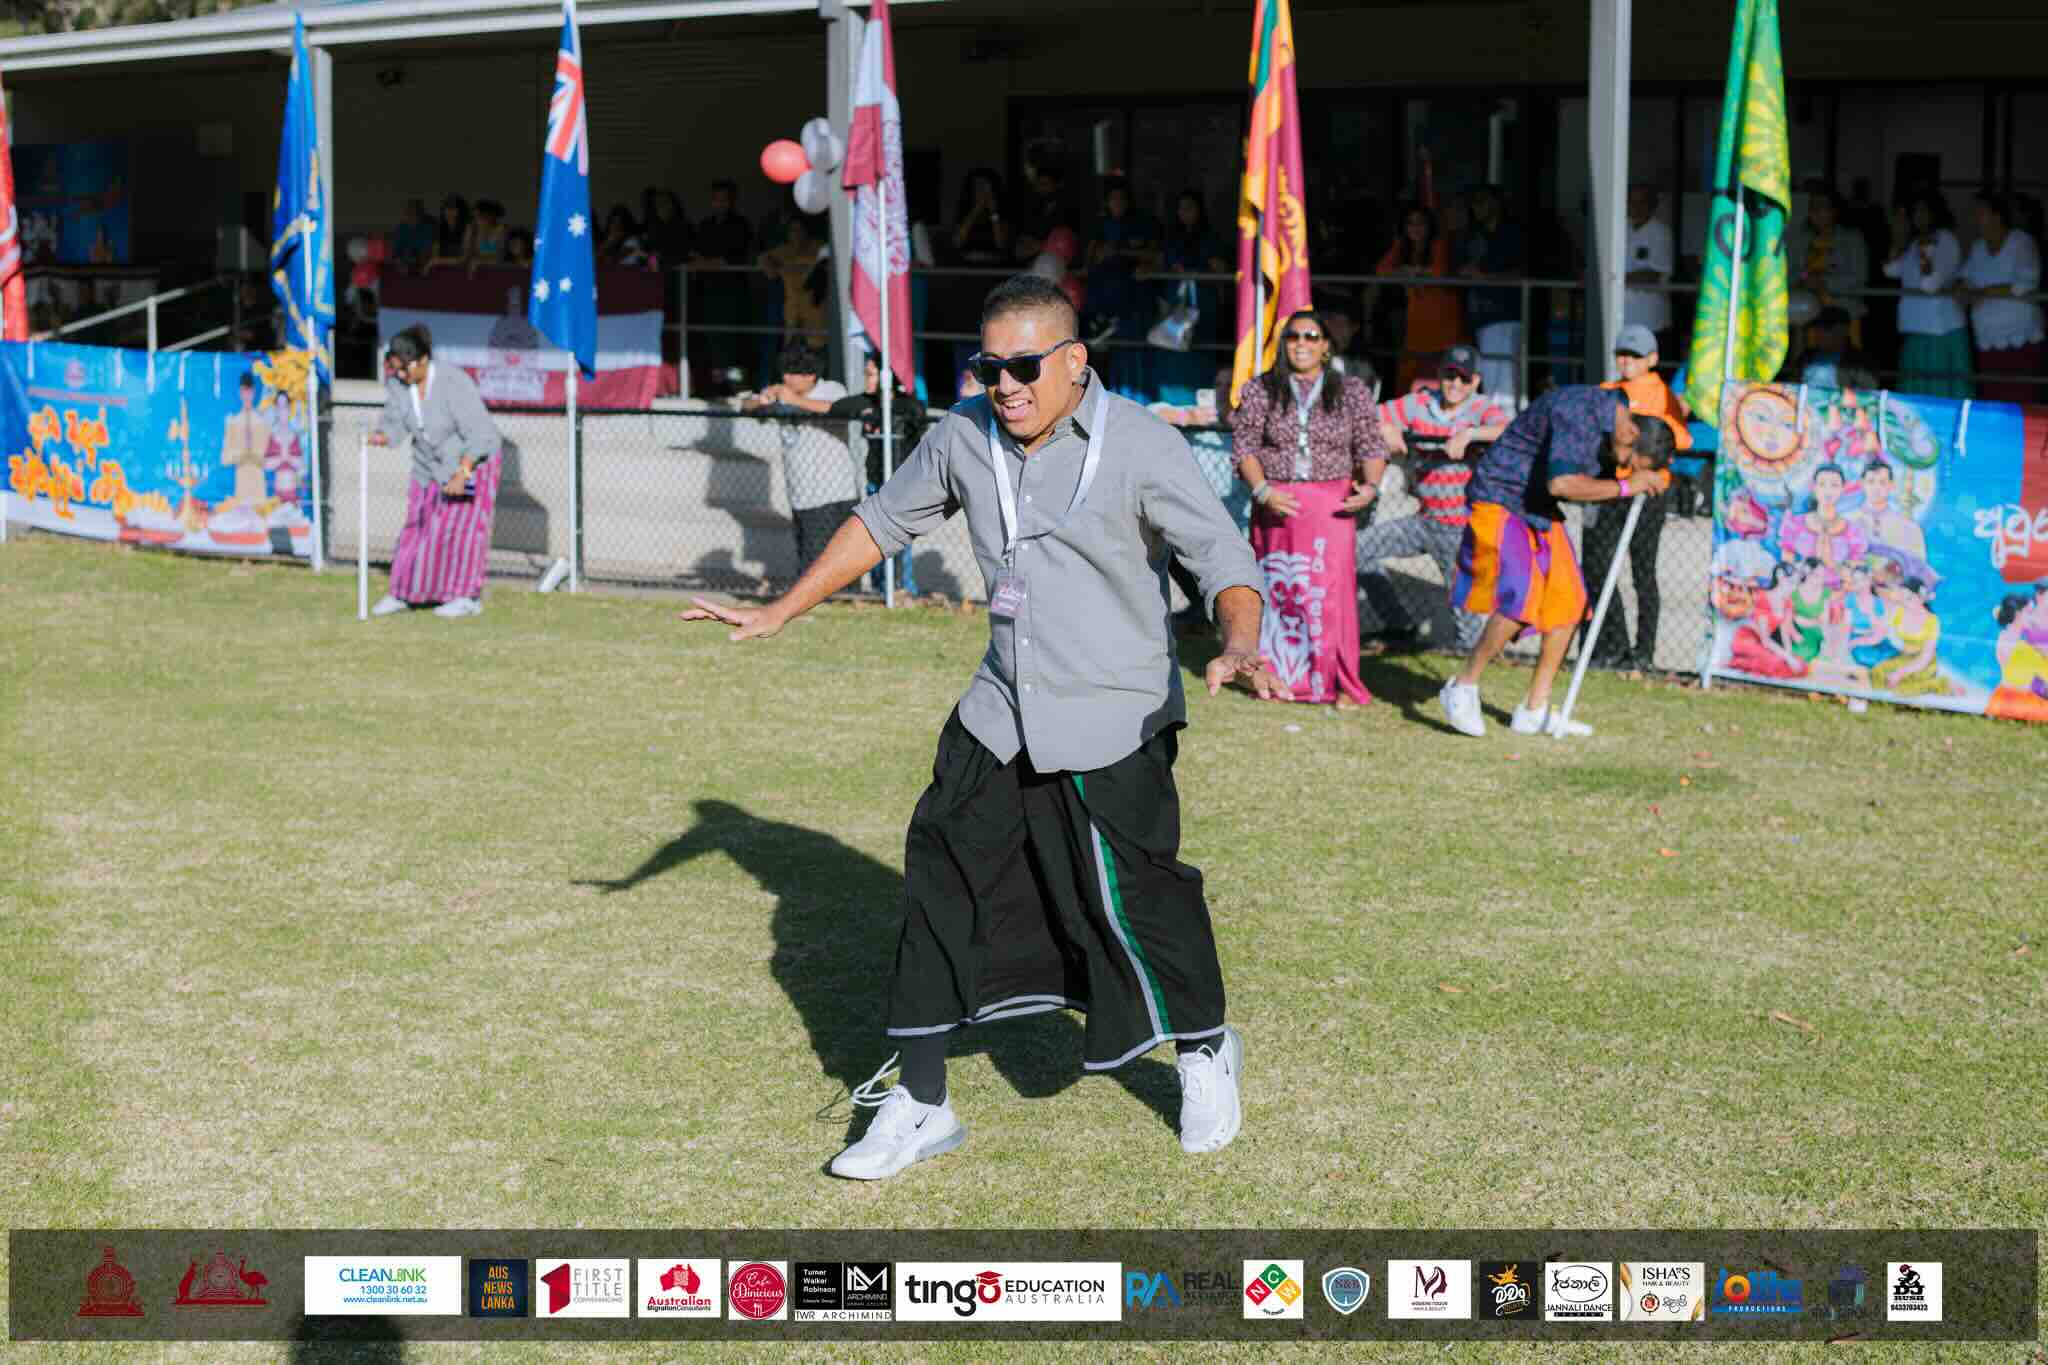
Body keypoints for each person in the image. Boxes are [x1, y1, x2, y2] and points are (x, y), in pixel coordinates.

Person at [681, 273, 1277, 1178]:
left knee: (1137, 898)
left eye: (1025, 365)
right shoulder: (963, 435)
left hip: (1115, 711)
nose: (1005, 385)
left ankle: (1203, 1048)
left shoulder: (1143, 444)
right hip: (1002, 707)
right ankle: (920, 1103)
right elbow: (879, 524)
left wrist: (1237, 639)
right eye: (988, 366)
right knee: (936, 878)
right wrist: (780, 610)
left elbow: (1222, 558)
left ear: (1075, 363)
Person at [1437, 383, 1676, 739]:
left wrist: (1637, 482)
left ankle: (1533, 710)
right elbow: (1562, 484)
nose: (1622, 468)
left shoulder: (1618, 419)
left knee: (1571, 602)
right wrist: (1628, 487)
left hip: (1537, 508)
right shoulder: (1579, 412)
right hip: (1501, 496)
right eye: (1628, 462)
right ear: (1630, 432)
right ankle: (1461, 687)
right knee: (1522, 596)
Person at [1232, 307, 1386, 707]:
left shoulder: (1351, 390)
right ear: (1283, 344)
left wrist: (1370, 487)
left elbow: (1371, 444)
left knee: (1328, 596)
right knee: (1278, 591)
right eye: (1294, 336)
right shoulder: (1260, 389)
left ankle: (1335, 683)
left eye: (1311, 337)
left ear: (1326, 346)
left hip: (1330, 508)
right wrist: (1263, 491)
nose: (1302, 343)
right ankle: (1273, 678)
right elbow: (1244, 447)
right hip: (1274, 505)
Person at [1363, 343, 1508, 653]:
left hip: (1460, 529)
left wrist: (1469, 434)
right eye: (1449, 376)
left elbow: (1508, 429)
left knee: (1465, 610)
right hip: (1422, 520)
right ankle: (1399, 623)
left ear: (1476, 381)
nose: (1455, 384)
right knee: (1353, 552)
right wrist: (1386, 428)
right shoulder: (1421, 402)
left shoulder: (1481, 408)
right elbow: (1367, 415)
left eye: (1464, 379)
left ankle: (1472, 659)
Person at [367, 325, 504, 619]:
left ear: (423, 360)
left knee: (461, 530)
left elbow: (480, 433)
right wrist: (380, 436)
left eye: (405, 369)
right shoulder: (399, 383)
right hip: (428, 465)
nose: (401, 375)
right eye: (397, 369)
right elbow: (395, 420)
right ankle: (404, 592)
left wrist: (462, 472)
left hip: (472, 459)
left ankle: (465, 596)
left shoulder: (453, 383)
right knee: (417, 525)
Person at [1581, 323, 1691, 671]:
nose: (1626, 361)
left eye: (1634, 356)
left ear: (1652, 359)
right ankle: (1612, 646)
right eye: (1621, 355)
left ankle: (1644, 653)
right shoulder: (1607, 390)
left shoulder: (1663, 395)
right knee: (1598, 568)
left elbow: (1680, 441)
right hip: (1610, 489)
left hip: (1647, 494)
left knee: (1642, 572)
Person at [744, 343, 856, 580]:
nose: (786, 377)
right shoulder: (783, 394)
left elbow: (838, 410)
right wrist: (762, 400)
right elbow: (745, 406)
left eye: (793, 373)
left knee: (827, 559)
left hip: (832, 492)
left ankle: (838, 598)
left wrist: (794, 400)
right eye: (784, 372)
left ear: (810, 375)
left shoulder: (831, 389)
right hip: (799, 492)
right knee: (806, 552)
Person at [825, 350, 929, 597]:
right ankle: (879, 587)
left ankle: (901, 587)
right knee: (872, 539)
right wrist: (871, 410)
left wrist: (886, 408)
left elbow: (918, 416)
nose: (866, 379)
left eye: (871, 374)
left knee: (898, 541)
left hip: (902, 487)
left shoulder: (906, 405)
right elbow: (839, 408)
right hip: (876, 484)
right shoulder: (868, 402)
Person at [1882, 191, 1972, 398]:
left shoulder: (1947, 240)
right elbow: (1890, 270)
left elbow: (1931, 285)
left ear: (1934, 212)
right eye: (1914, 212)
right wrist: (1898, 236)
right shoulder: (1915, 244)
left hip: (1940, 332)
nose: (1917, 216)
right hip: (1916, 329)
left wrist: (1924, 251)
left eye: (1922, 210)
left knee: (1941, 396)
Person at [1958, 191, 2045, 404]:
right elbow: (1964, 277)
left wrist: (1983, 292)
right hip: (1988, 341)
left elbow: (2026, 282)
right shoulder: (1978, 247)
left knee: (2022, 404)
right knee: (1993, 403)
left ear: (1997, 216)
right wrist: (1962, 288)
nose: (1975, 218)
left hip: (2020, 341)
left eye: (1980, 213)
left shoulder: (2021, 242)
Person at [1370, 205, 1461, 396]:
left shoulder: (1439, 244)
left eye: (1420, 223)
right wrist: (1405, 271)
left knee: (1443, 371)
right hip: (1416, 320)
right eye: (1410, 223)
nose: (1415, 228)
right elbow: (1381, 270)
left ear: (1430, 227)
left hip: (1443, 319)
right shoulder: (1402, 246)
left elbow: (1441, 272)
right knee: (1409, 370)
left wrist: (1416, 271)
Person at [1459, 183, 1528, 408]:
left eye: (1482, 201)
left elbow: (1521, 272)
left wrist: (1484, 275)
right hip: (1481, 317)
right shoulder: (1475, 235)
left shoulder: (1511, 233)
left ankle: (1504, 434)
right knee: (1490, 379)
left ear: (1496, 204)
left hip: (1504, 315)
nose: (1477, 207)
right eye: (1474, 202)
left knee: (1505, 386)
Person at [692, 180, 756, 391]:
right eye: (716, 199)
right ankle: (714, 387)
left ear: (732, 201)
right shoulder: (705, 225)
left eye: (724, 199)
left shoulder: (741, 225)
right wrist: (706, 263)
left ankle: (736, 388)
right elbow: (695, 256)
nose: (720, 203)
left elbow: (733, 258)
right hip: (708, 293)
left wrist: (712, 263)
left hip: (733, 293)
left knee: (733, 343)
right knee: (712, 342)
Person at [1789, 186, 1870, 349]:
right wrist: (1804, 278)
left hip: (1844, 315)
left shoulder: (1852, 239)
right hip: (1807, 318)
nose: (1816, 211)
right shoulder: (1800, 239)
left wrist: (1823, 282)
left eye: (1822, 206)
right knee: (1809, 365)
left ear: (1834, 210)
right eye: (1813, 207)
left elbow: (1860, 277)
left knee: (1843, 366)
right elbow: (1790, 272)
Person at [1621, 185, 1675, 351]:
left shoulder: (1661, 233)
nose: (1635, 207)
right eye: (1631, 202)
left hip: (1651, 320)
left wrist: (1615, 278)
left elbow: (1654, 275)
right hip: (1623, 318)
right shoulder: (1621, 229)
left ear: (1653, 205)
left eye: (1641, 202)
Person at [757, 215, 826, 345]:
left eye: (800, 230)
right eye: (793, 230)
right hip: (792, 311)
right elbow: (762, 259)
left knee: (816, 348)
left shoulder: (817, 247)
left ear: (807, 231)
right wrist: (770, 268)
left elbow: (829, 255)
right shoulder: (784, 251)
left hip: (815, 310)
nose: (797, 234)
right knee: (792, 355)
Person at [1987, 585, 2048, 722]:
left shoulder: (2014, 638)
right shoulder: (2016, 643)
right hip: (2019, 700)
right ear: (2018, 614)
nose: (2032, 617)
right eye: (2029, 612)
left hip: (2013, 697)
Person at [1855, 458, 1927, 562]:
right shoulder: (1848, 521)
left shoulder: (1908, 527)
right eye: (1871, 482)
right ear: (1862, 484)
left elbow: (1919, 566)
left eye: (1882, 483)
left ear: (1891, 485)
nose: (1876, 488)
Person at [219, 371, 272, 509]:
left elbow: (270, 459)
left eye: (249, 391)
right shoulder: (233, 422)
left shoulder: (263, 423)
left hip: (259, 489)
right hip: (241, 489)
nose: (247, 395)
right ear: (240, 393)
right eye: (244, 391)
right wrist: (241, 455)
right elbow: (224, 458)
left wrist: (257, 456)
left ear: (254, 392)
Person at [424, 194, 469, 273]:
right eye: (447, 208)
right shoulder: (439, 228)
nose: (449, 212)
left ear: (460, 211)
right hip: (443, 270)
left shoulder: (468, 228)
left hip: (463, 271)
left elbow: (464, 259)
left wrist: (437, 261)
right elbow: (435, 254)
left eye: (453, 209)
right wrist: (435, 261)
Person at [392, 198, 434, 273]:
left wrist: (422, 263)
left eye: (415, 213)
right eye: (409, 213)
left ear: (421, 214)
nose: (412, 216)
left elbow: (428, 251)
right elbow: (395, 253)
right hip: (404, 265)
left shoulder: (427, 229)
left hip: (423, 265)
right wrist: (400, 264)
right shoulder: (400, 229)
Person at [467, 199, 508, 273]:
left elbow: (500, 258)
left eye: (480, 217)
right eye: (474, 217)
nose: (477, 221)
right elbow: (467, 255)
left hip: (498, 272)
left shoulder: (502, 231)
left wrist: (481, 261)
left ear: (491, 216)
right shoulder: (474, 231)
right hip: (479, 272)